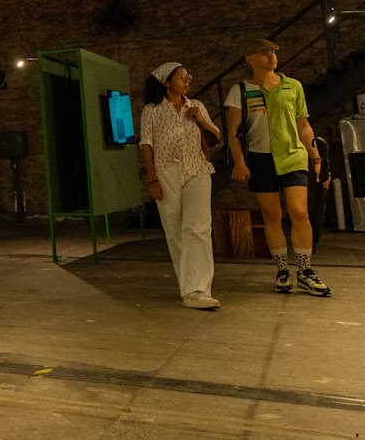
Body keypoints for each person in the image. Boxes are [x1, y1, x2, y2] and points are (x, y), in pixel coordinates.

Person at [224, 40, 331, 296]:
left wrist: (317, 159)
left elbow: (304, 126)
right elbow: (233, 132)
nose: (271, 57)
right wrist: (239, 162)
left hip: (292, 156)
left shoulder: (292, 86)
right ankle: (282, 270)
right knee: (271, 215)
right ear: (249, 58)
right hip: (260, 159)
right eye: (264, 53)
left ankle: (305, 270)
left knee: (299, 212)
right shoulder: (241, 90)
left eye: (273, 53)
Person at [138, 62, 222, 309]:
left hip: (197, 169)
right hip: (167, 172)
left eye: (188, 77)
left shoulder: (196, 106)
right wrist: (152, 179)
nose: (187, 81)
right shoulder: (151, 111)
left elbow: (217, 136)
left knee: (199, 228)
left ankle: (199, 289)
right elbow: (147, 146)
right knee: (175, 231)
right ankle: (189, 289)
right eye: (181, 77)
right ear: (167, 82)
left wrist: (200, 119)